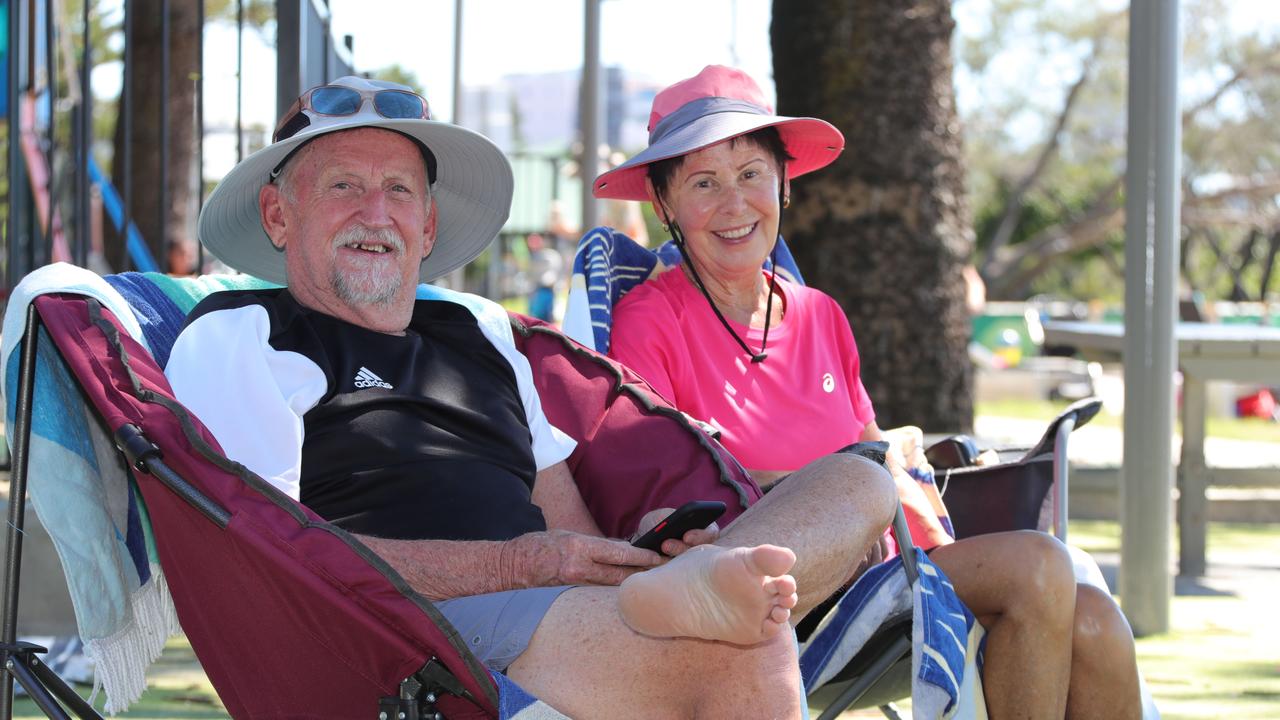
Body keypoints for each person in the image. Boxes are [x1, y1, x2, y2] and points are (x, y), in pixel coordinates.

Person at [165, 75, 897, 719]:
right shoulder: (242, 337)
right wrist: (522, 566)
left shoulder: (480, 330)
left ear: (428, 225)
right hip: (414, 635)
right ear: (276, 216)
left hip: (564, 609)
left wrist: (637, 555)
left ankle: (705, 577)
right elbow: (269, 560)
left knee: (861, 480)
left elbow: (565, 524)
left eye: (399, 191)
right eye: (343, 186)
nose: (375, 213)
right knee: (740, 647)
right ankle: (701, 596)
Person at [601, 65, 1143, 719]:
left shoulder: (821, 315)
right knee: (1036, 567)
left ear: (783, 183)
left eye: (751, 175)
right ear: (664, 205)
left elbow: (874, 453)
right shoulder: (649, 322)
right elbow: (662, 495)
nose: (734, 203)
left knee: (1093, 618)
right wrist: (833, 489)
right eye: (703, 183)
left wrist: (922, 517)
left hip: (883, 573)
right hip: (758, 595)